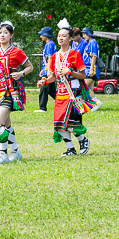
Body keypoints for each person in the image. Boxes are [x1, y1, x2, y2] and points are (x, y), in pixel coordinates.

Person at [38, 20, 91, 157]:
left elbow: (83, 75)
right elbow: (53, 77)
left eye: (64, 36)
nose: (61, 38)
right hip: (60, 93)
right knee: (58, 123)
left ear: (70, 38)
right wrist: (44, 81)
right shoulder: (55, 56)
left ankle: (82, 139)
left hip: (73, 93)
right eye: (59, 36)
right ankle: (70, 149)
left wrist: (70, 72)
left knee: (71, 123)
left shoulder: (75, 55)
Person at [0, 21, 33, 163]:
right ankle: (16, 151)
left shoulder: (17, 52)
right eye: (0, 32)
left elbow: (29, 66)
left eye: (6, 32)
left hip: (11, 91)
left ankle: (3, 154)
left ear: (11, 35)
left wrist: (21, 73)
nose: (2, 35)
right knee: (6, 124)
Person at [36, 26, 57, 112]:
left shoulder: (49, 45)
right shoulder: (50, 44)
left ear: (46, 35)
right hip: (47, 69)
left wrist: (48, 70)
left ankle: (42, 108)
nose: (40, 36)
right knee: (52, 91)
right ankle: (63, 101)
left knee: (43, 88)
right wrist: (43, 69)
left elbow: (50, 58)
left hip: (49, 70)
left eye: (42, 34)